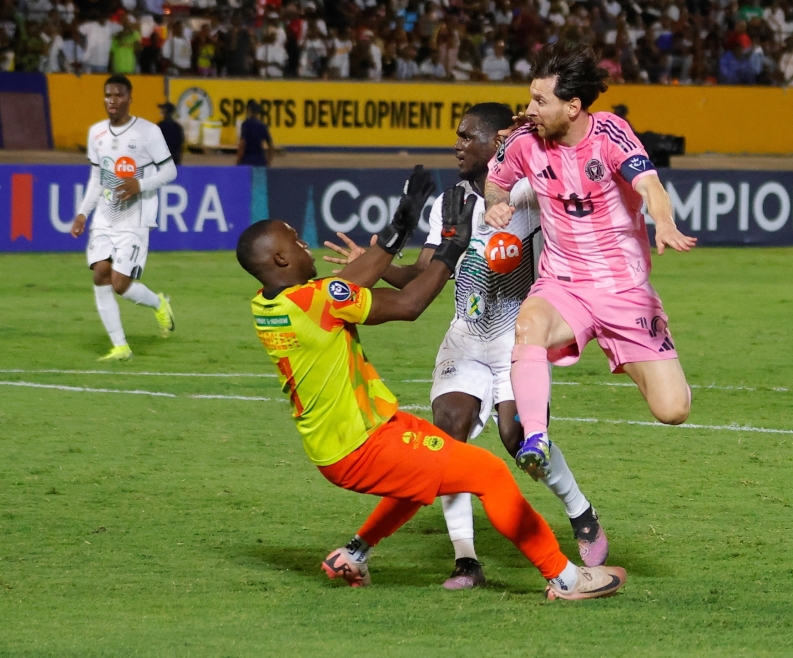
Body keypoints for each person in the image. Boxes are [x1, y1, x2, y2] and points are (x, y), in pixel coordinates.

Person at [235, 169, 628, 601]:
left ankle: (354, 553)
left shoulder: (271, 304)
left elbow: (352, 280)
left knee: (434, 472)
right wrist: (452, 247)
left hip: (355, 435)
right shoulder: (317, 299)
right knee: (490, 473)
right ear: (279, 259)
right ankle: (565, 578)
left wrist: (402, 221)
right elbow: (408, 304)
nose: (305, 244)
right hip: (360, 446)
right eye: (296, 239)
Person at [324, 103, 608, 590]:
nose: (456, 145)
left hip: (518, 334)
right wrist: (373, 263)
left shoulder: (531, 193)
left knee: (517, 438)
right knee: (445, 439)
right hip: (465, 336)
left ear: (498, 140)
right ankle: (466, 561)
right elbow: (424, 271)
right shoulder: (449, 202)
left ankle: (582, 515)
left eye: (466, 136)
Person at [483, 43, 696, 482]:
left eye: (540, 101)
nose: (529, 109)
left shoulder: (611, 134)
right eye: (531, 98)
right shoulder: (524, 141)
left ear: (573, 106)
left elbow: (651, 185)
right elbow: (495, 181)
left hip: (625, 290)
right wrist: (496, 204)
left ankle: (638, 342)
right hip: (563, 286)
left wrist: (664, 223)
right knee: (530, 325)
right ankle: (536, 440)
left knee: (672, 409)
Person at [69, 75, 177, 362]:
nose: (112, 101)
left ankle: (159, 304)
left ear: (129, 97)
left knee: (120, 282)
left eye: (118, 95)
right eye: (107, 95)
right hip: (105, 216)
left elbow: (170, 171)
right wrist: (83, 213)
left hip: (135, 218)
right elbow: (96, 176)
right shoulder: (97, 133)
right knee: (100, 274)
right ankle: (120, 347)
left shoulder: (148, 132)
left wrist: (139, 185)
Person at [236, 100, 273, 167]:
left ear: (249, 111)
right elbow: (271, 145)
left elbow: (242, 143)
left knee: (246, 177)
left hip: (247, 159)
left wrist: (238, 160)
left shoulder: (246, 125)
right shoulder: (262, 126)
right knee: (259, 177)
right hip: (260, 160)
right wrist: (269, 161)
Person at [157, 101, 184, 166]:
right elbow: (180, 145)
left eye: (162, 109)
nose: (161, 111)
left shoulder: (160, 126)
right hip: (175, 159)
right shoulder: (178, 127)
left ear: (165, 111)